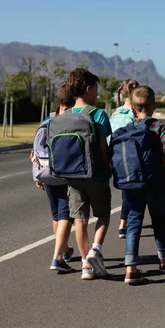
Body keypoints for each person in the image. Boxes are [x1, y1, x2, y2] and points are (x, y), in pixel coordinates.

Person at [112, 86, 165, 284]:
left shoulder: (127, 129)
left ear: (132, 108)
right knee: (159, 221)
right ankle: (164, 259)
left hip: (132, 182)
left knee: (134, 222)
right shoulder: (158, 127)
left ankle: (130, 268)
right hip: (155, 181)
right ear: (154, 106)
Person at [65, 68, 113, 280]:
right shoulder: (99, 114)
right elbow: (104, 148)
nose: (97, 94)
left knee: (80, 220)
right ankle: (96, 249)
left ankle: (85, 265)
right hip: (96, 174)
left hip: (72, 175)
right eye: (96, 90)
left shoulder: (64, 115)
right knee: (103, 214)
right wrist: (108, 167)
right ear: (88, 89)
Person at [32, 83, 75, 272]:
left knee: (56, 214)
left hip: (46, 173)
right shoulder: (73, 121)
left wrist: (38, 175)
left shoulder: (47, 120)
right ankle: (57, 258)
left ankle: (65, 250)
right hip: (66, 174)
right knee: (66, 214)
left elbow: (36, 151)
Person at [109, 79, 139, 239]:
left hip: (115, 157)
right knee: (130, 193)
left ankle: (123, 222)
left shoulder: (116, 113)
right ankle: (124, 223)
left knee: (126, 192)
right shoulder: (135, 115)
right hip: (131, 158)